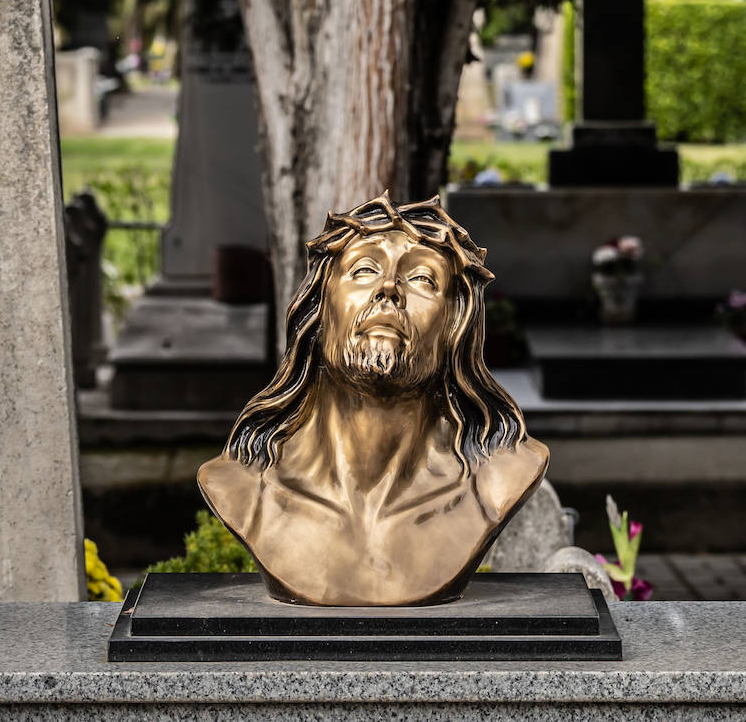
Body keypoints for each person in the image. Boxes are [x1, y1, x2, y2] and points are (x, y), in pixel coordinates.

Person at [198, 194, 548, 606]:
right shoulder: (243, 485)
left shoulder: (496, 483)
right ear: (320, 307)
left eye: (422, 279)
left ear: (455, 324)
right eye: (364, 270)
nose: (388, 290)